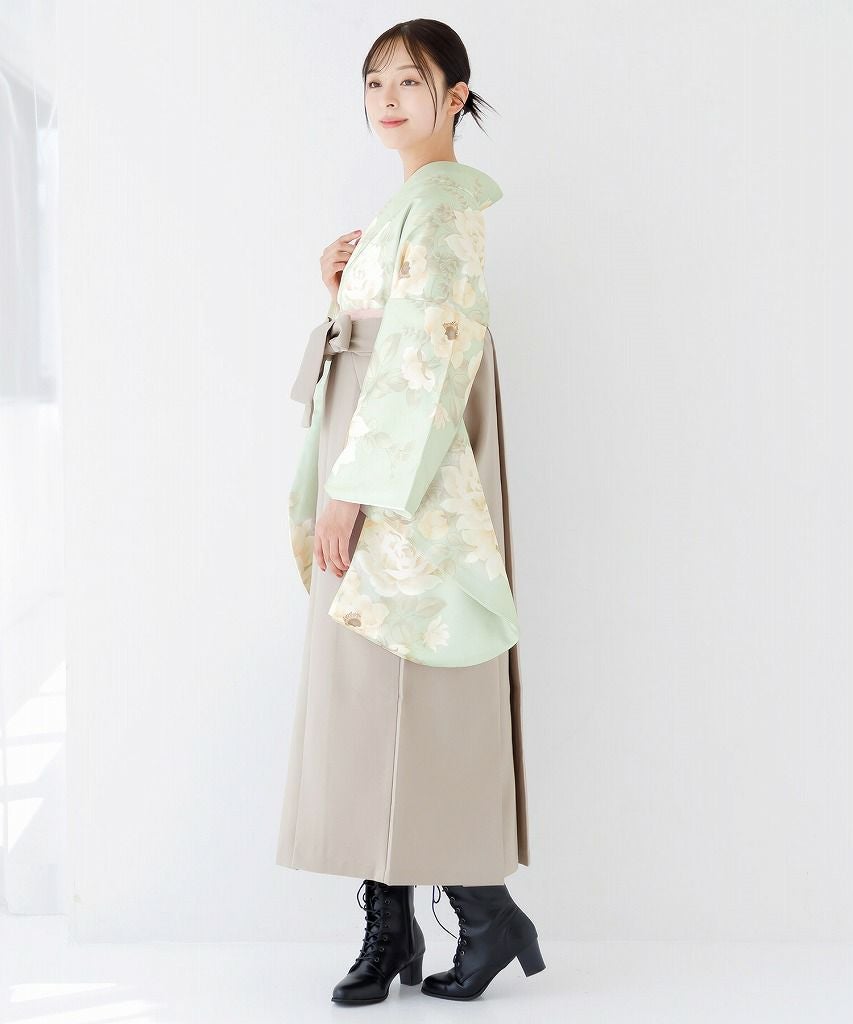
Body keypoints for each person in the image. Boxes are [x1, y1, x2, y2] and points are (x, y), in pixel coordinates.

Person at [276, 18, 544, 1004]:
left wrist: (353, 490)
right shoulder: (413, 204)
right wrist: (340, 288)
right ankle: (398, 924)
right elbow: (389, 331)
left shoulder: (438, 205)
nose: (386, 99)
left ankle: (477, 910)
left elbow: (428, 356)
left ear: (455, 97)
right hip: (377, 449)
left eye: (410, 81)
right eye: (374, 82)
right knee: (373, 691)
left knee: (408, 689)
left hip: (399, 469)